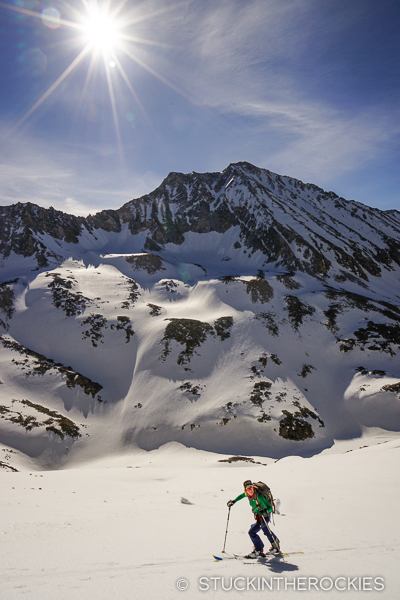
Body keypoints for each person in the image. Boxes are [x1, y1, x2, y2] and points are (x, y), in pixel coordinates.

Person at [227, 479, 280, 558]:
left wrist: (265, 511)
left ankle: (258, 550)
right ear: (246, 490)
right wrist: (233, 501)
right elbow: (241, 496)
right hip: (259, 516)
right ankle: (275, 545)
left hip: (264, 517)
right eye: (248, 489)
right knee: (265, 530)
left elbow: (270, 508)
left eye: (251, 488)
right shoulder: (248, 495)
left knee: (252, 532)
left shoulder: (259, 496)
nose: (250, 490)